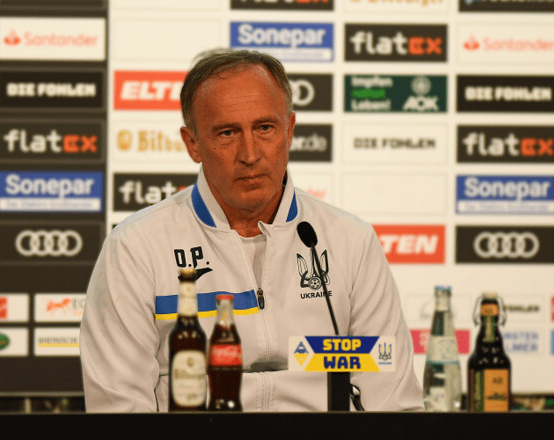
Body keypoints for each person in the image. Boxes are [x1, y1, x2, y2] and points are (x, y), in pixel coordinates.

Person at [79, 49, 423, 412]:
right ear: (193, 144)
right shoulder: (135, 248)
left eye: (265, 128)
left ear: (289, 131)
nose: (250, 154)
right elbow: (120, 414)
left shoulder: (351, 242)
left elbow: (392, 402)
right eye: (227, 133)